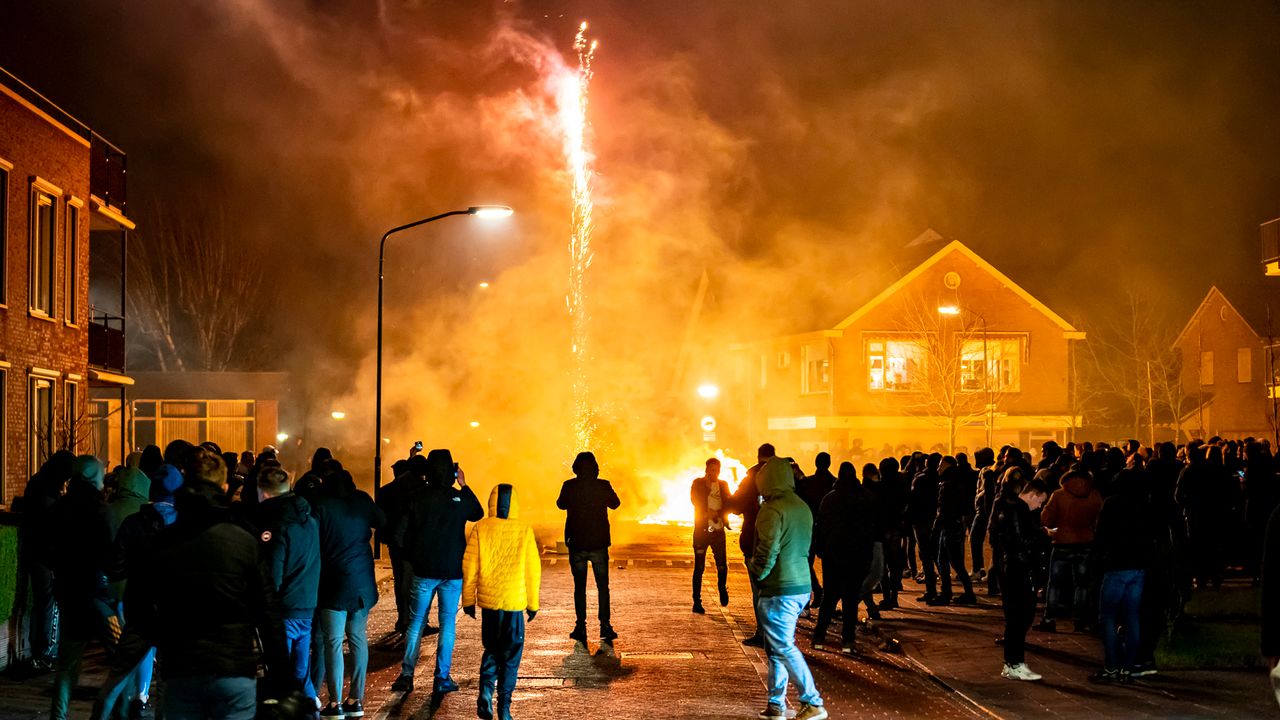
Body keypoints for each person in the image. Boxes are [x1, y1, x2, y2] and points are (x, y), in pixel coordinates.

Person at [124, 449, 295, 719]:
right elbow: (268, 613)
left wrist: (166, 637)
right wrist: (283, 680)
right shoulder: (243, 540)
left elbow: (137, 607)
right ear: (225, 487)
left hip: (182, 670)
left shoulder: (163, 541)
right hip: (234, 668)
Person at [391, 450, 484, 694]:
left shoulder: (417, 497)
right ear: (451, 473)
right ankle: (441, 677)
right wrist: (464, 484)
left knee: (416, 623)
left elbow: (400, 533)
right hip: (452, 571)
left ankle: (407, 674)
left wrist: (412, 557)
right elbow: (478, 513)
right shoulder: (458, 498)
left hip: (423, 570)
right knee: (447, 624)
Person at [749, 456, 827, 720]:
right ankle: (776, 704)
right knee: (776, 648)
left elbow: (767, 550)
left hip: (779, 587)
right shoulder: (801, 506)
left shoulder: (771, 510)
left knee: (781, 646)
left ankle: (812, 701)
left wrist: (757, 572)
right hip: (800, 583)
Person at [46, 456, 117, 720]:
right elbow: (110, 555)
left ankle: (58, 715)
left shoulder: (58, 509)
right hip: (98, 595)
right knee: (123, 656)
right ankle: (110, 712)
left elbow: (47, 550)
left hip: (69, 592)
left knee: (68, 664)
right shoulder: (102, 510)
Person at [462, 483, 542, 720]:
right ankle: (504, 708)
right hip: (514, 604)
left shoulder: (481, 528)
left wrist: (468, 600)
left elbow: (470, 567)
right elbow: (532, 570)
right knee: (511, 656)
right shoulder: (524, 530)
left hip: (490, 606)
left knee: (492, 650)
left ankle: (486, 689)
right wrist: (533, 604)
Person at [312, 469, 386, 718]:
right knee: (357, 638)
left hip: (333, 582)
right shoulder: (362, 499)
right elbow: (382, 521)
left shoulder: (321, 506)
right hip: (362, 582)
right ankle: (356, 699)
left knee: (332, 642)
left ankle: (334, 703)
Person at [257, 466, 322, 706]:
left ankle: (298, 706)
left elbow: (273, 573)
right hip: (306, 604)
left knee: (280, 673)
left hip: (284, 609)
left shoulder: (278, 524)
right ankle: (310, 704)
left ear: (264, 492)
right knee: (300, 671)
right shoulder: (310, 520)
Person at [1089, 467, 1153, 683]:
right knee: (1132, 616)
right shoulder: (1145, 504)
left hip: (1116, 565)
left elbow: (1101, 535)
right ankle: (1128, 667)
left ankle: (1111, 666)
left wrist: (1097, 560)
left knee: (1107, 616)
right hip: (1138, 567)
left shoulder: (1112, 503)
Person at [556, 452, 621, 643]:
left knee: (579, 587)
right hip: (599, 543)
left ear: (576, 468)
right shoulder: (603, 485)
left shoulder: (569, 486)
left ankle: (580, 626)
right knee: (603, 586)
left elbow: (560, 504)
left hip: (576, 542)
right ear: (595, 467)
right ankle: (605, 625)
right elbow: (615, 504)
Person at [812, 463, 874, 654]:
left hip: (833, 556)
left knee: (829, 598)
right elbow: (871, 528)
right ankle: (848, 642)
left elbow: (820, 528)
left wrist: (822, 551)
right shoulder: (865, 498)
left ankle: (819, 638)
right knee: (850, 600)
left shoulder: (829, 499)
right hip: (856, 557)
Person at [989, 467, 1044, 681]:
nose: (1039, 506)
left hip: (1009, 566)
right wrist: (1041, 537)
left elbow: (997, 536)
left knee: (1017, 616)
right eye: (1039, 501)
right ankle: (1014, 663)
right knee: (1020, 616)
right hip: (1016, 568)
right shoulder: (1016, 509)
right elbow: (1020, 541)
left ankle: (1014, 663)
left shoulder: (1002, 504)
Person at [1038, 468, 1102, 632]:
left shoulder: (1059, 495)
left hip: (1062, 543)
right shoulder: (1094, 494)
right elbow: (1098, 520)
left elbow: (1046, 518)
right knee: (1082, 584)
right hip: (1086, 542)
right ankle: (1080, 620)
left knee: (1055, 584)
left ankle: (1049, 619)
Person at [377, 451, 427, 642]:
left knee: (402, 583)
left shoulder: (388, 490)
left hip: (397, 544)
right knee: (412, 584)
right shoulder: (415, 489)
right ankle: (411, 621)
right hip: (409, 545)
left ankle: (404, 619)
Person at [732, 444, 776, 646]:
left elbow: (736, 506)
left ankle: (762, 633)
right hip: (780, 543)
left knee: (758, 590)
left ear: (758, 457)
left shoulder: (751, 478)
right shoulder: (787, 477)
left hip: (754, 541)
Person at [932, 456, 978, 606]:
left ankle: (948, 593)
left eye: (941, 465)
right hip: (954, 525)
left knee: (948, 561)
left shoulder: (947, 484)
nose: (938, 468)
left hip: (948, 526)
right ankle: (962, 593)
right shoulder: (957, 481)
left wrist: (936, 527)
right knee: (950, 560)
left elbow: (943, 509)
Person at [690, 457, 732, 614]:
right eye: (711, 470)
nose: (714, 473)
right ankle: (697, 601)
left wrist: (720, 513)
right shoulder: (698, 483)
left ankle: (722, 587)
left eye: (717, 470)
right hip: (702, 530)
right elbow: (696, 501)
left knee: (721, 564)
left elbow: (729, 503)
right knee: (699, 567)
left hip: (718, 530)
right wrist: (707, 489)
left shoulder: (723, 485)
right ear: (706, 470)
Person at [798, 453, 836, 608]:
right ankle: (827, 598)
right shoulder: (834, 483)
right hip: (828, 530)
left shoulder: (808, 482)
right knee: (829, 566)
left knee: (806, 563)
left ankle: (814, 592)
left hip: (810, 527)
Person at [909, 453, 942, 602]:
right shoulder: (939, 479)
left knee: (925, 555)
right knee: (937, 555)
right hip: (934, 518)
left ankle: (931, 589)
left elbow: (912, 500)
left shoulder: (920, 478)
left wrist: (908, 518)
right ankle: (943, 589)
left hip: (921, 520)